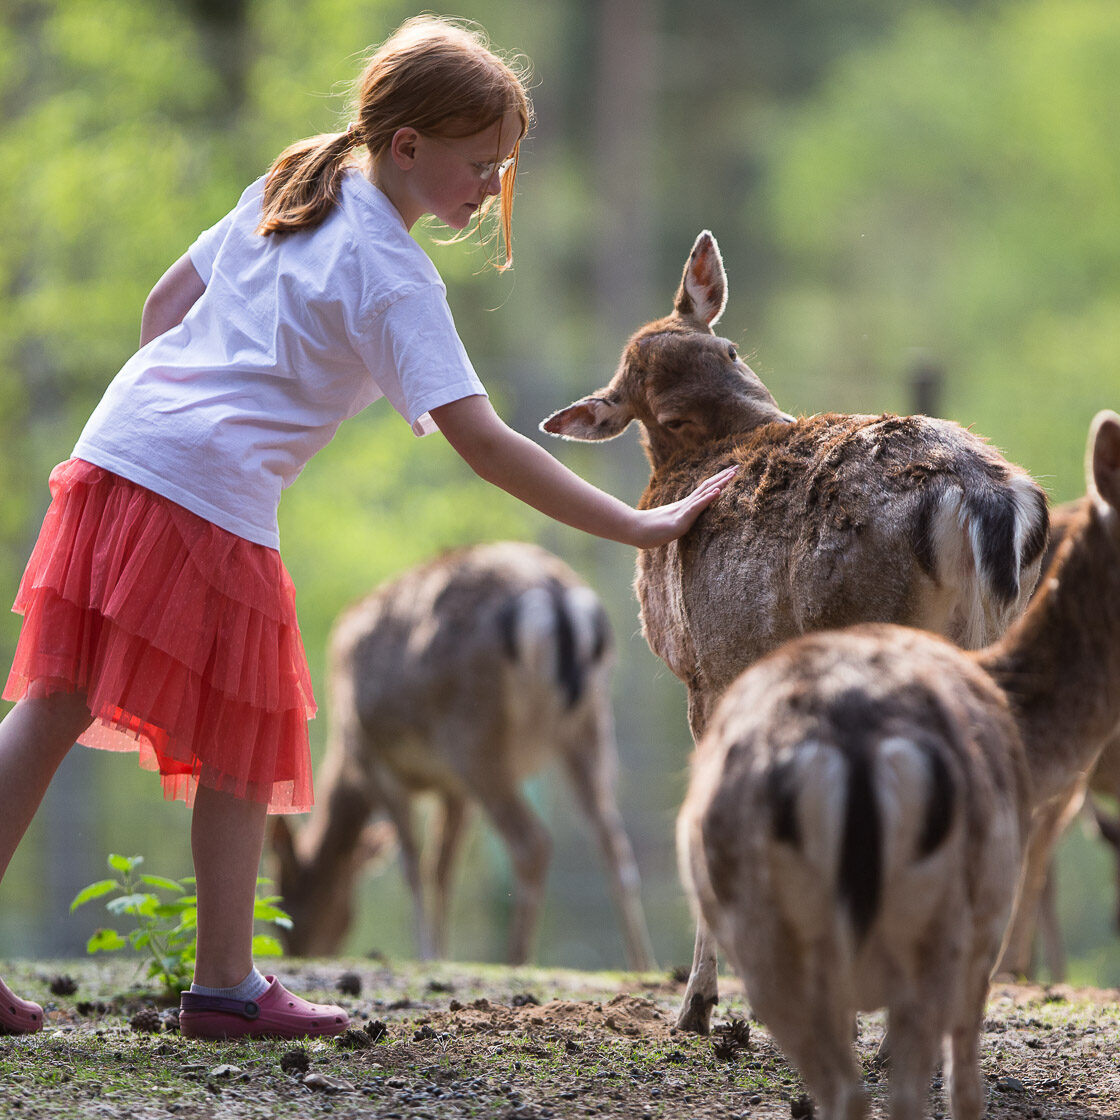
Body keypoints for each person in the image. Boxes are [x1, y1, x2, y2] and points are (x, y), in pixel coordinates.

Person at [0, 15, 735, 1040]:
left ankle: (223, 980)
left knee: (55, 703)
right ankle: (223, 984)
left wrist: (200, 399)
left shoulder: (297, 179)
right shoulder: (393, 273)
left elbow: (162, 310)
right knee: (245, 732)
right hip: (205, 490)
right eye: (479, 165)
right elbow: (483, 442)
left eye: (503, 168)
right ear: (408, 147)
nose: (489, 188)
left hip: (117, 448)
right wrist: (637, 523)